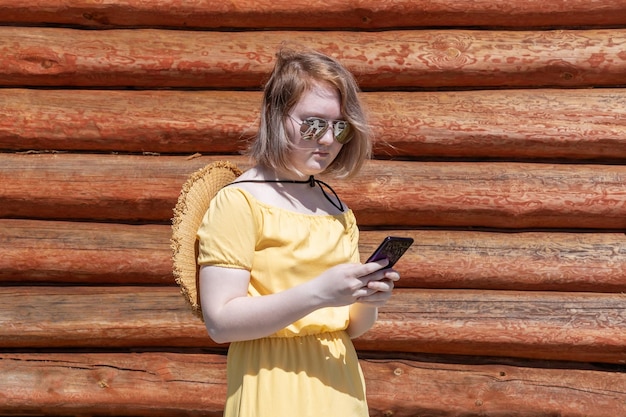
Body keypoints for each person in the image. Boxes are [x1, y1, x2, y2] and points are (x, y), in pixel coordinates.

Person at [196, 45, 400, 417]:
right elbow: (220, 323)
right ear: (276, 116)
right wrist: (319, 293)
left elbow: (351, 328)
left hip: (340, 384)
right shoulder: (239, 202)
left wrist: (368, 300)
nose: (327, 140)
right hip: (272, 384)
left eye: (339, 127)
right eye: (313, 123)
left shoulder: (335, 206)